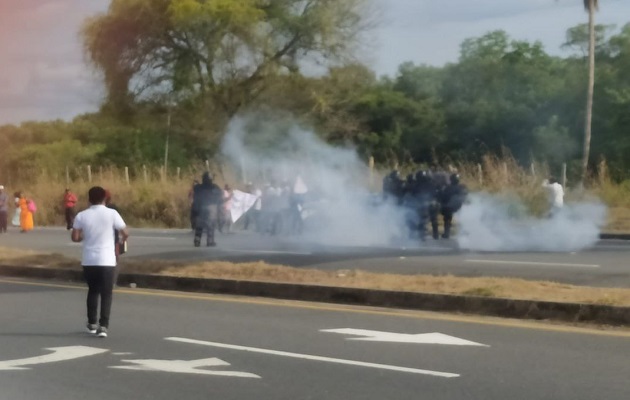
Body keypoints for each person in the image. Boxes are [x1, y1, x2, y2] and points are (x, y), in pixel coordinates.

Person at [71, 186, 129, 338]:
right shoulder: (112, 213)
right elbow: (125, 232)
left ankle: (91, 323)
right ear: (105, 198)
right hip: (107, 260)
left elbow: (75, 238)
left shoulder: (81, 215)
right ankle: (103, 326)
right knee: (107, 293)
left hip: (89, 259)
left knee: (93, 290)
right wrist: (121, 241)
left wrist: (86, 236)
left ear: (89, 199)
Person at [192, 172, 222, 247]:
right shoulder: (215, 187)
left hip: (201, 207)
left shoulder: (198, 187)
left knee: (199, 225)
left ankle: (197, 240)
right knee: (211, 225)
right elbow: (219, 196)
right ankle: (210, 241)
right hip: (211, 207)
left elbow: (195, 191)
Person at [438, 173, 468, 239]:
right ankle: (463, 232)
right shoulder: (462, 187)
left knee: (447, 219)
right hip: (458, 207)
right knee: (461, 218)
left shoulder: (447, 188)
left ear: (451, 180)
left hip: (449, 207)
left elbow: (442, 197)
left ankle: (446, 233)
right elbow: (466, 198)